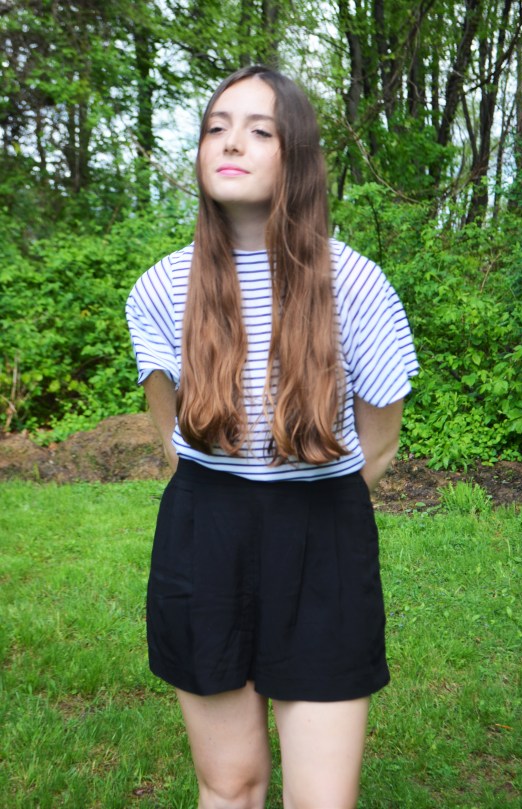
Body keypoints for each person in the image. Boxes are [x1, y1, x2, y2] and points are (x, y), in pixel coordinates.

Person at [126, 64, 418, 809]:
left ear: (298, 157)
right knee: (230, 784)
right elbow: (173, 432)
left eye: (260, 131)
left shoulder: (356, 285)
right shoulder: (160, 289)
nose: (231, 143)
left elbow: (379, 442)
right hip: (204, 535)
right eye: (216, 128)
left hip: (323, 536)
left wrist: (303, 507)